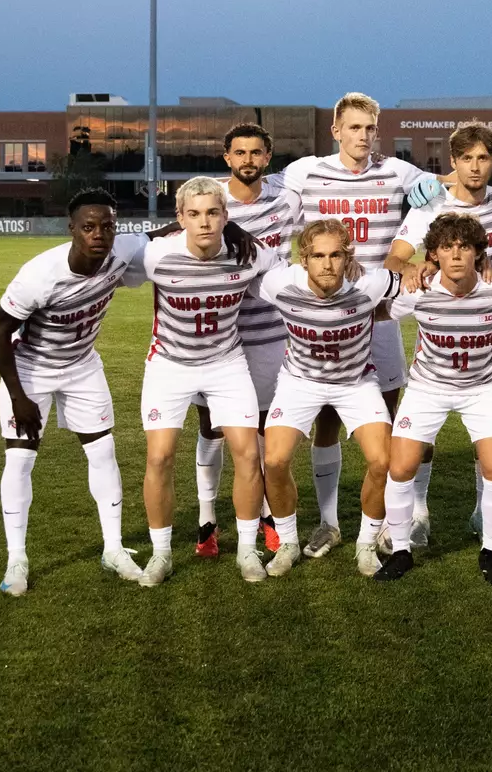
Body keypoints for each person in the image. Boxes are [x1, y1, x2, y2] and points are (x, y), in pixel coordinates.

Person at [276, 93, 444, 560]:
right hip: (327, 309)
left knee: (387, 424)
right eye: (353, 128)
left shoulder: (398, 171)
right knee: (325, 420)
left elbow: (439, 196)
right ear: (336, 131)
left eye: (370, 128)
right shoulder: (305, 170)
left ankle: (395, 521)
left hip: (381, 309)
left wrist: (404, 254)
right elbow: (259, 193)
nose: (363, 137)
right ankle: (328, 523)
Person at [0, 189, 151, 596]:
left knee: (103, 451)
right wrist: (19, 395)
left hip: (81, 367)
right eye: (89, 227)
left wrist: (229, 227)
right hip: (31, 370)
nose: (99, 234)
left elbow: (167, 232)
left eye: (107, 226)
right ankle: (17, 559)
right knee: (21, 459)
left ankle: (113, 550)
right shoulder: (41, 274)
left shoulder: (123, 249)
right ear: (72, 229)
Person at [384, 121, 492, 544]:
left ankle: (486, 517)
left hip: (487, 322)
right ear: (454, 162)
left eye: (484, 158)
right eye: (467, 159)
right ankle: (419, 512)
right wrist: (412, 266)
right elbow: (395, 258)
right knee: (420, 439)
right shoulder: (432, 205)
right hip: (441, 316)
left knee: (489, 438)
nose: (475, 167)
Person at [137, 176, 280, 587]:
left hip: (226, 362)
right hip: (169, 364)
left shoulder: (249, 254)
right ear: (179, 218)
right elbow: (106, 262)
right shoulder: (155, 255)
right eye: (194, 214)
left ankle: (247, 551)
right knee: (160, 457)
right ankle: (161, 554)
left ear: (225, 217)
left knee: (249, 454)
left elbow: (292, 276)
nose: (204, 222)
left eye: (213, 213)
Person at [376, 213, 492, 586]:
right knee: (400, 467)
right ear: (434, 255)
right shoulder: (417, 290)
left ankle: (490, 552)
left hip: (483, 389)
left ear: (478, 253)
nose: (456, 255)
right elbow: (377, 311)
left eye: (464, 247)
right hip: (427, 388)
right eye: (446, 247)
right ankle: (401, 551)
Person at [254, 218, 402, 578]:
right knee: (273, 461)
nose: (328, 264)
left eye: (336, 255)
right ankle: (288, 542)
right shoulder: (278, 283)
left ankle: (365, 544)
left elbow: (412, 277)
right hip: (299, 381)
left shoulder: (371, 282)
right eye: (318, 256)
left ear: (347, 256)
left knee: (383, 462)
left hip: (355, 381)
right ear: (303, 259)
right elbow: (245, 265)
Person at [190, 123, 302, 559]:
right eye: (240, 153)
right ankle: (206, 520)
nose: (248, 160)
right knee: (211, 429)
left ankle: (270, 519)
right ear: (226, 157)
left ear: (267, 157)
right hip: (220, 337)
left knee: (261, 430)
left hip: (272, 334)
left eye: (256, 153)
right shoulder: (211, 201)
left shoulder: (286, 197)